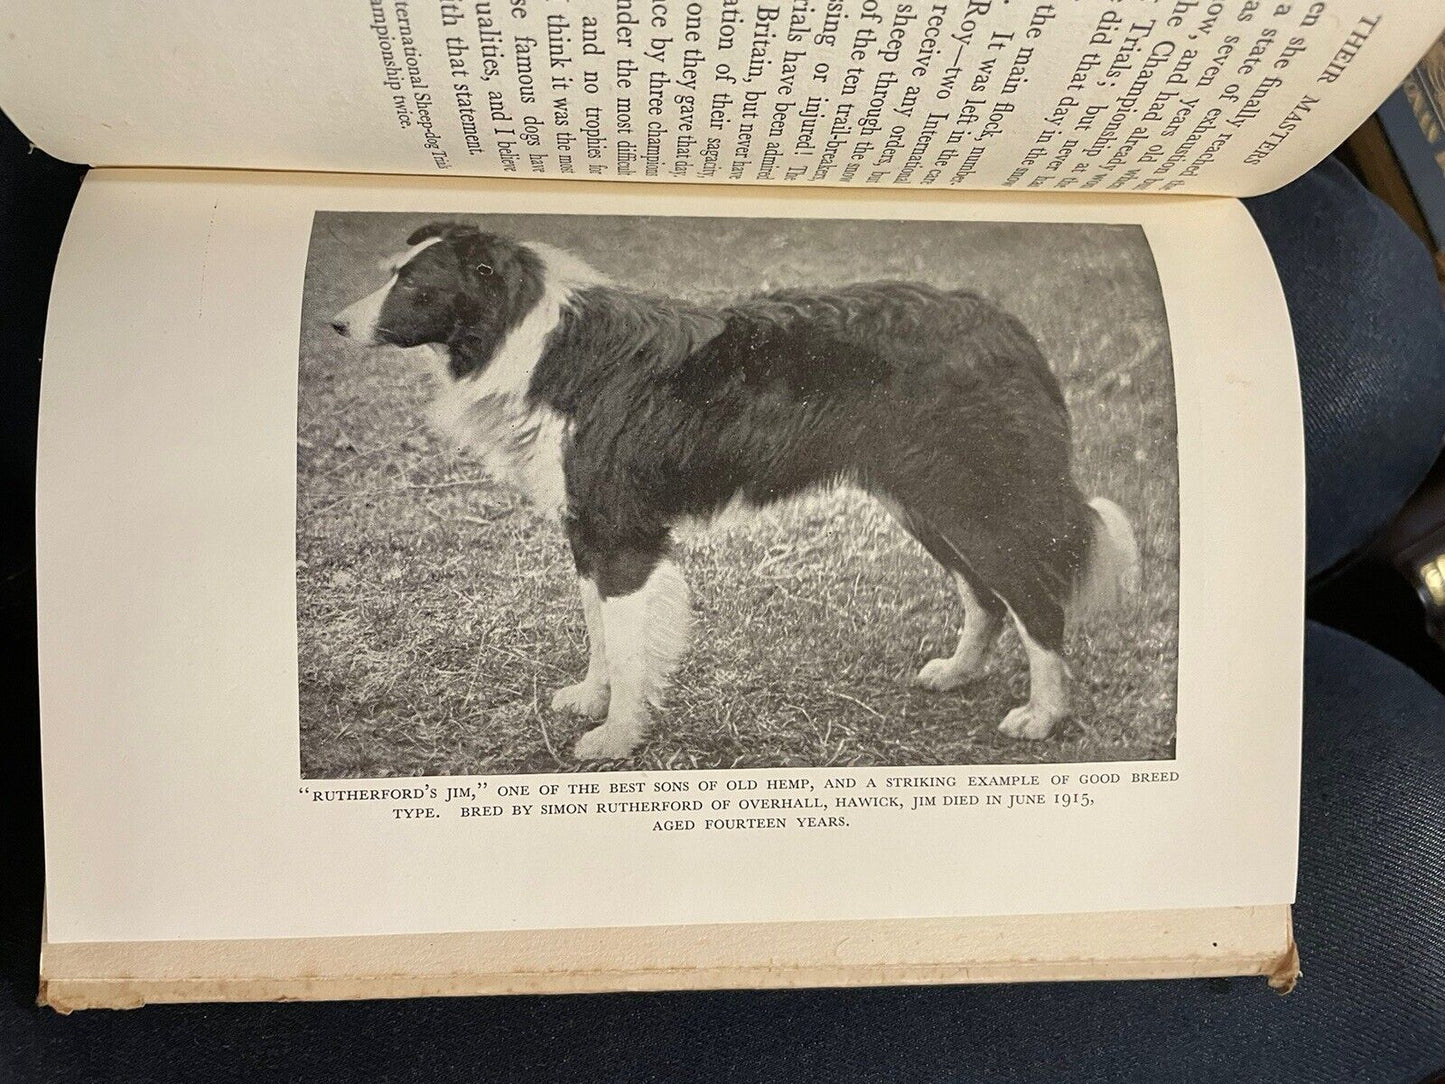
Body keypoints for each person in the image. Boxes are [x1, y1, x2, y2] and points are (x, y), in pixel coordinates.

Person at [2, 129, 1442, 1077]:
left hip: (916, 383)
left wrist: (623, 715)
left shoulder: (573, 363)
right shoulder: (547, 353)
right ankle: (921, 639)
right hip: (864, 380)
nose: (374, 312)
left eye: (405, 295)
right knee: (843, 517)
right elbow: (594, 529)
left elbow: (627, 548)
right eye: (395, 290)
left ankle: (1031, 664)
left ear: (482, 304)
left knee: (952, 512)